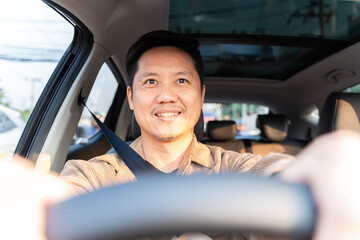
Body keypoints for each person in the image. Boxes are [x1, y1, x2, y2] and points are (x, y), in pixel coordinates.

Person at [2, 30, 360, 239]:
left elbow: (271, 173)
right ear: (131, 96)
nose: (166, 95)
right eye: (151, 81)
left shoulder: (230, 167)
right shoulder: (92, 173)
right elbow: (63, 200)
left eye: (182, 81)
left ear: (201, 96)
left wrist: (308, 179)